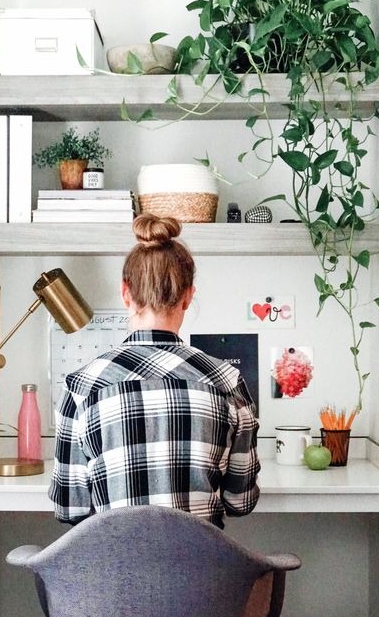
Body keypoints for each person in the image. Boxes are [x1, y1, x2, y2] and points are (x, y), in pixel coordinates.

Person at [50, 213, 260, 529]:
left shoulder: (82, 387)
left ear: (125, 293)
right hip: (203, 576)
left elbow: (69, 508)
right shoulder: (227, 382)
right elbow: (240, 502)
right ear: (188, 297)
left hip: (112, 576)